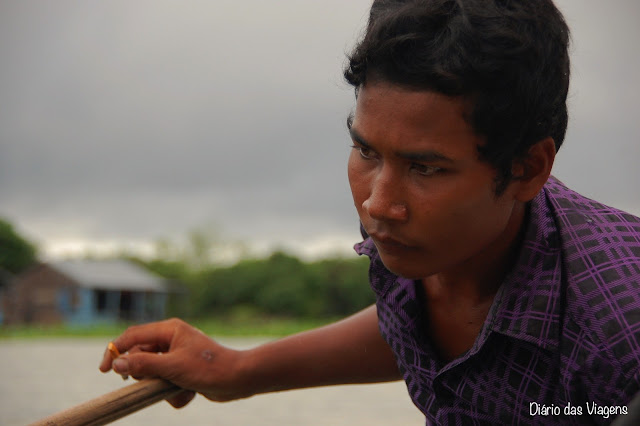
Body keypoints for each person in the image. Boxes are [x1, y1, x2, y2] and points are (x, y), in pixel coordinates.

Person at [100, 0, 640, 424]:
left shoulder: (618, 348)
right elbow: (412, 324)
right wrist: (236, 368)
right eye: (366, 151)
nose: (378, 203)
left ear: (526, 169)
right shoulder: (434, 242)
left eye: (426, 167)